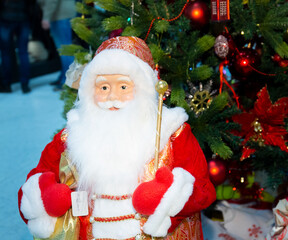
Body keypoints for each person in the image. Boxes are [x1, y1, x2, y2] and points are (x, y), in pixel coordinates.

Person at [18, 36, 216, 239]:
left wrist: (168, 198)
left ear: (143, 90)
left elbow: (204, 190)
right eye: (103, 87)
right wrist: (47, 198)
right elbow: (32, 187)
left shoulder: (172, 133)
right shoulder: (71, 137)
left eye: (123, 87)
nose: (113, 96)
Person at [37, 0, 76, 90]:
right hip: (64, 13)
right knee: (64, 50)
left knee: (65, 50)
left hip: (60, 15)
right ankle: (63, 77)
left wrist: (46, 17)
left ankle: (67, 82)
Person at [0, 0, 37, 93]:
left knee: (6, 53)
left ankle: (6, 84)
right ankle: (25, 85)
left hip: (5, 18)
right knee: (23, 52)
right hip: (23, 18)